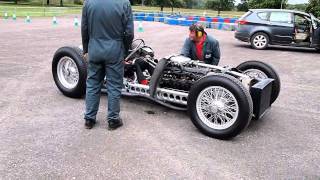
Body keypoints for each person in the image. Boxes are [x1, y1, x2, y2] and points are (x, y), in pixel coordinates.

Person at [81, 0, 134, 130]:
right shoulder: (124, 3)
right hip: (114, 49)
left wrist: (86, 49)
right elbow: (129, 33)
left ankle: (89, 119)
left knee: (92, 84)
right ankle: (113, 119)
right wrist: (124, 52)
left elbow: (84, 28)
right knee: (114, 85)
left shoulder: (88, 2)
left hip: (94, 49)